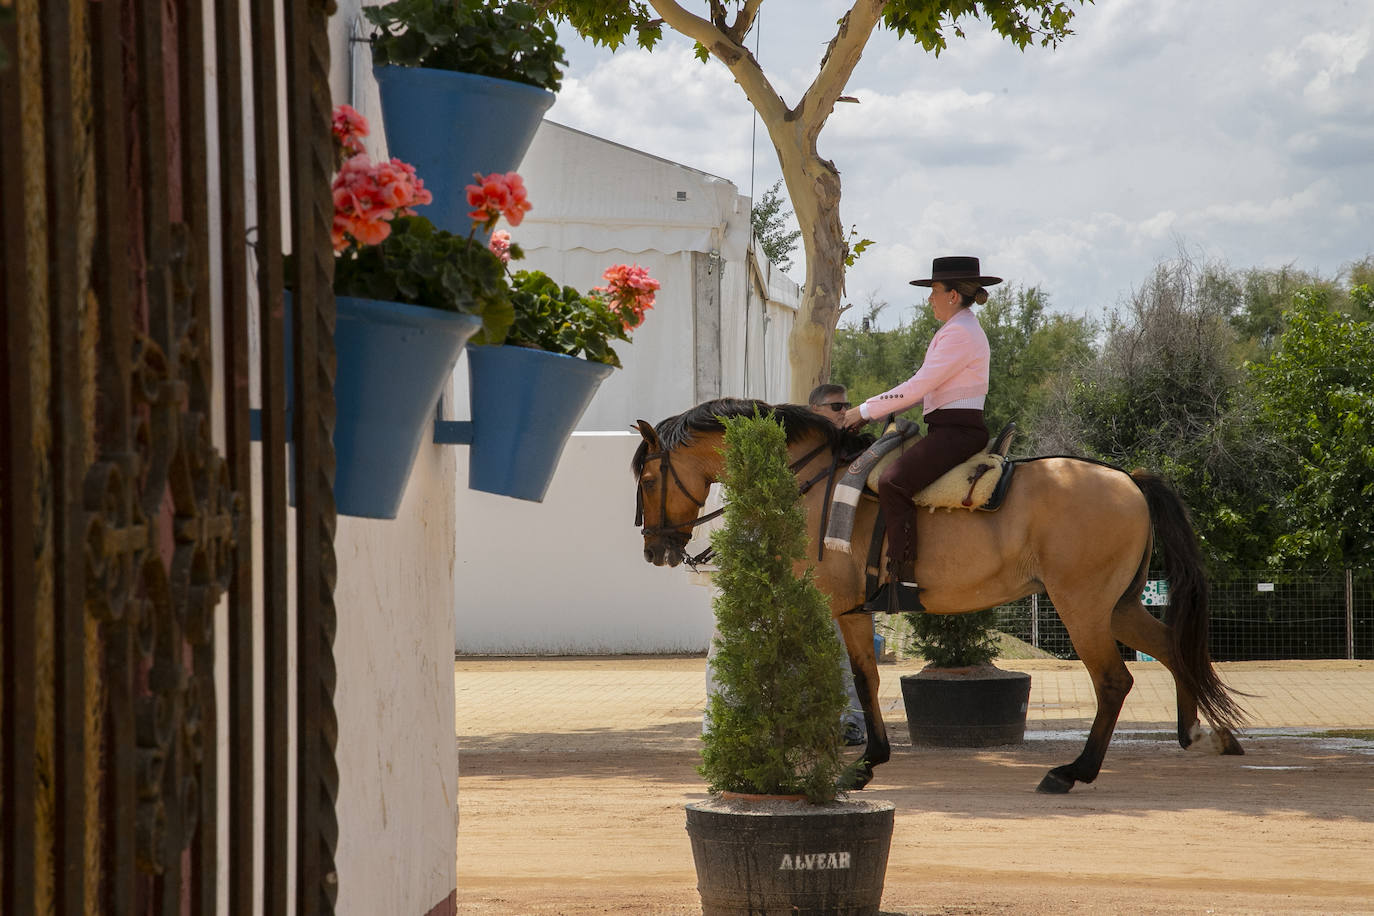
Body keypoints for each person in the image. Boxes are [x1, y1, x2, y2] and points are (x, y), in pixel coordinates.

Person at [841, 256, 997, 613]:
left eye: (934, 291)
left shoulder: (960, 332)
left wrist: (862, 411)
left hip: (957, 430)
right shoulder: (958, 328)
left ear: (953, 295)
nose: (929, 298)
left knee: (894, 481)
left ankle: (903, 579)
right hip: (947, 427)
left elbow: (919, 386)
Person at [807, 382, 869, 746]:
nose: (843, 411)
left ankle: (851, 722)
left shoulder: (849, 451)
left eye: (846, 405)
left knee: (847, 651)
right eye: (835, 407)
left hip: (845, 573)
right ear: (813, 411)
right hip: (815, 574)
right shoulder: (803, 457)